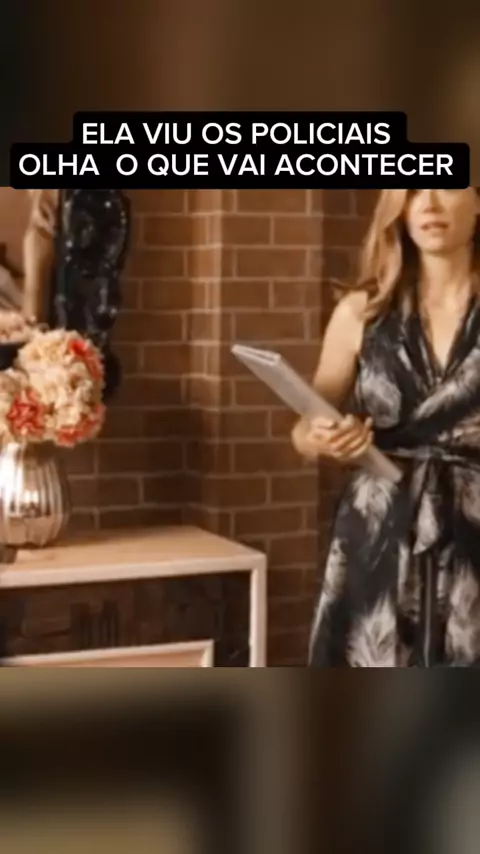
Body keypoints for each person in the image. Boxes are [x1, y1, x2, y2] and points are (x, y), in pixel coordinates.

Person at [292, 188, 480, 667]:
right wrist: (325, 439)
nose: (429, 204)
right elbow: (304, 428)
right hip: (378, 531)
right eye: (413, 191)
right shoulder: (361, 311)